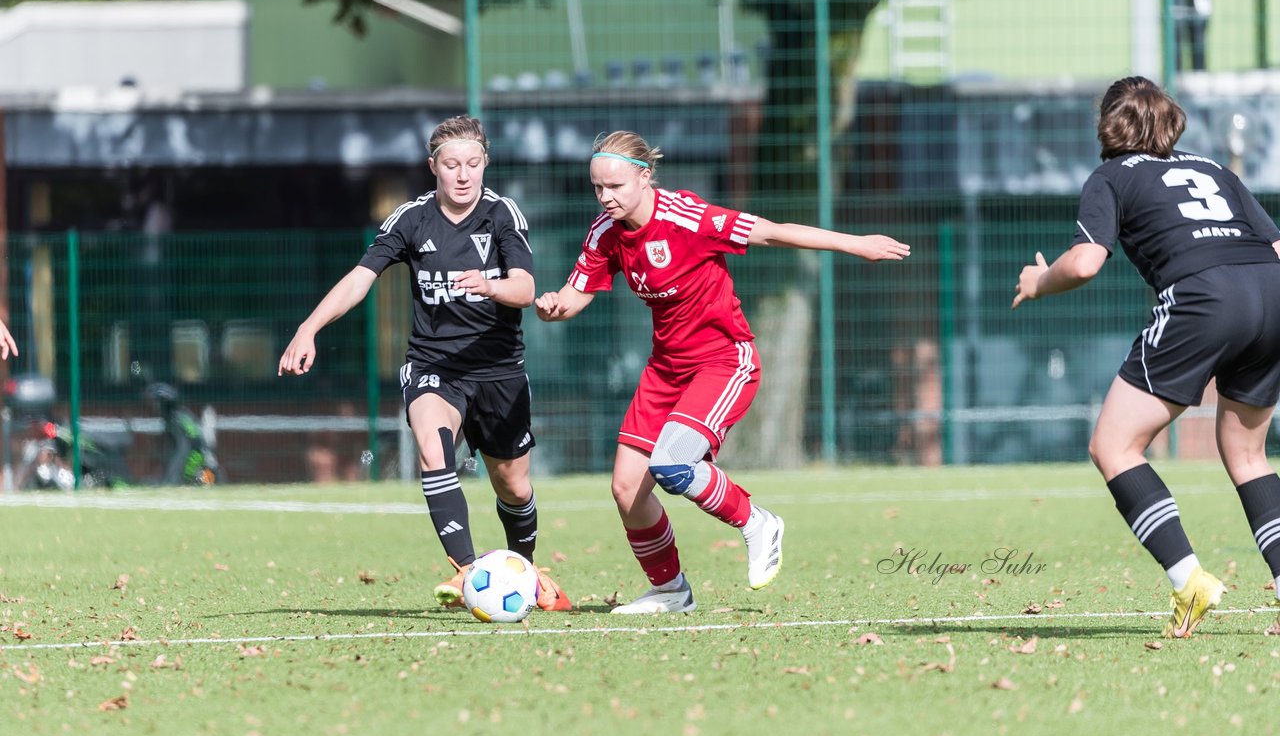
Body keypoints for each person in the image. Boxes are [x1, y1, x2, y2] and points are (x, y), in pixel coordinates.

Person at [535, 131, 910, 614]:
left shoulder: (687, 217)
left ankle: (758, 522)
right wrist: (553, 308)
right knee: (627, 489)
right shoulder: (605, 233)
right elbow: (575, 294)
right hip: (665, 370)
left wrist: (855, 244)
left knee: (671, 465)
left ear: (645, 177)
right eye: (597, 188)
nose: (606, 197)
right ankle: (671, 592)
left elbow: (773, 231)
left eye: (616, 186)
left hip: (723, 361)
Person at [1013, 75, 1280, 638]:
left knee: (1113, 445)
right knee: (1248, 454)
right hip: (1272, 292)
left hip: (1204, 296)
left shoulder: (1110, 176)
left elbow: (1085, 263)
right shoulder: (1213, 169)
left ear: (1107, 125)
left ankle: (1189, 581)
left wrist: (1038, 281)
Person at [278, 115, 571, 612]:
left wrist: (489, 285)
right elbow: (359, 278)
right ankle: (466, 572)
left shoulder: (502, 215)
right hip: (435, 367)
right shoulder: (410, 219)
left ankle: (524, 572)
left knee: (514, 485)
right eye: (452, 164)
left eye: (473, 164)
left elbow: (524, 287)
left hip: (499, 370)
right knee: (435, 454)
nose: (463, 175)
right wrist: (309, 328)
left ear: (485, 164)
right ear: (432, 166)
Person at [144, 382, 219, 486]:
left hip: (195, 455)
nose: (154, 407)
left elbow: (183, 447)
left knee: (184, 482)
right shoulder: (182, 413)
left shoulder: (174, 418)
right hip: (200, 452)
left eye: (156, 402)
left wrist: (171, 476)